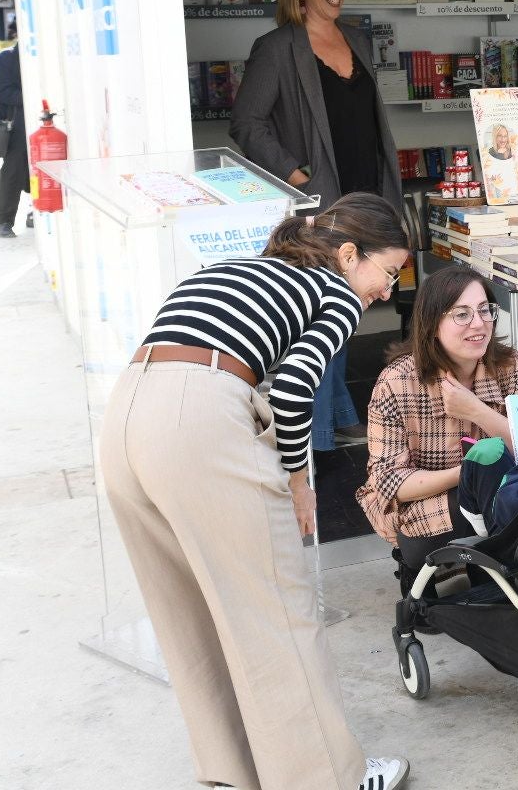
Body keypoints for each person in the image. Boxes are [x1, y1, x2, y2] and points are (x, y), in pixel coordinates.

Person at [98, 192, 412, 790]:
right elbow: (294, 390)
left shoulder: (240, 269)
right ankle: (328, 779)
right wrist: (297, 479)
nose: (387, 291)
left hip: (125, 415)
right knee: (278, 610)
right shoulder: (334, 292)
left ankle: (231, 773)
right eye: (388, 272)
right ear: (349, 255)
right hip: (200, 418)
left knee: (185, 613)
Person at [231, 0, 404, 452]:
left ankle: (336, 417)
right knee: (323, 307)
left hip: (365, 193)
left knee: (347, 303)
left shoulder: (358, 40)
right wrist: (294, 173)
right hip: (318, 200)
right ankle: (317, 431)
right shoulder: (278, 47)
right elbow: (247, 121)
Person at [357, 266, 518, 585]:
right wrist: (471, 473)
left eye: (485, 310)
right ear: (432, 325)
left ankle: (496, 576)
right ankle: (423, 569)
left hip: (500, 497)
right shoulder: (397, 383)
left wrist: (478, 411)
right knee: (484, 485)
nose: (479, 323)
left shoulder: (513, 367)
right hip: (429, 503)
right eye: (461, 314)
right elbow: (389, 481)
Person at [0, 23, 27, 238]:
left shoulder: (45, 55)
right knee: (13, 173)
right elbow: (1, 92)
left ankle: (37, 211)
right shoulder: (7, 57)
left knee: (41, 171)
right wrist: (29, 97)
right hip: (16, 127)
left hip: (43, 123)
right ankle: (5, 221)